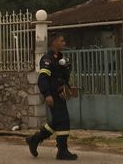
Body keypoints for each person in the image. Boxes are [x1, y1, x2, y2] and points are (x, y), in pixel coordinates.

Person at [26, 32, 79, 160]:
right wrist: (47, 94)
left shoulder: (59, 58)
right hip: (53, 95)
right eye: (61, 41)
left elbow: (61, 78)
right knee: (64, 121)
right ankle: (62, 151)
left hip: (61, 94)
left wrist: (69, 87)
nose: (64, 43)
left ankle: (34, 139)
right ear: (54, 42)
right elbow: (43, 79)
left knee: (57, 122)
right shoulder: (47, 59)